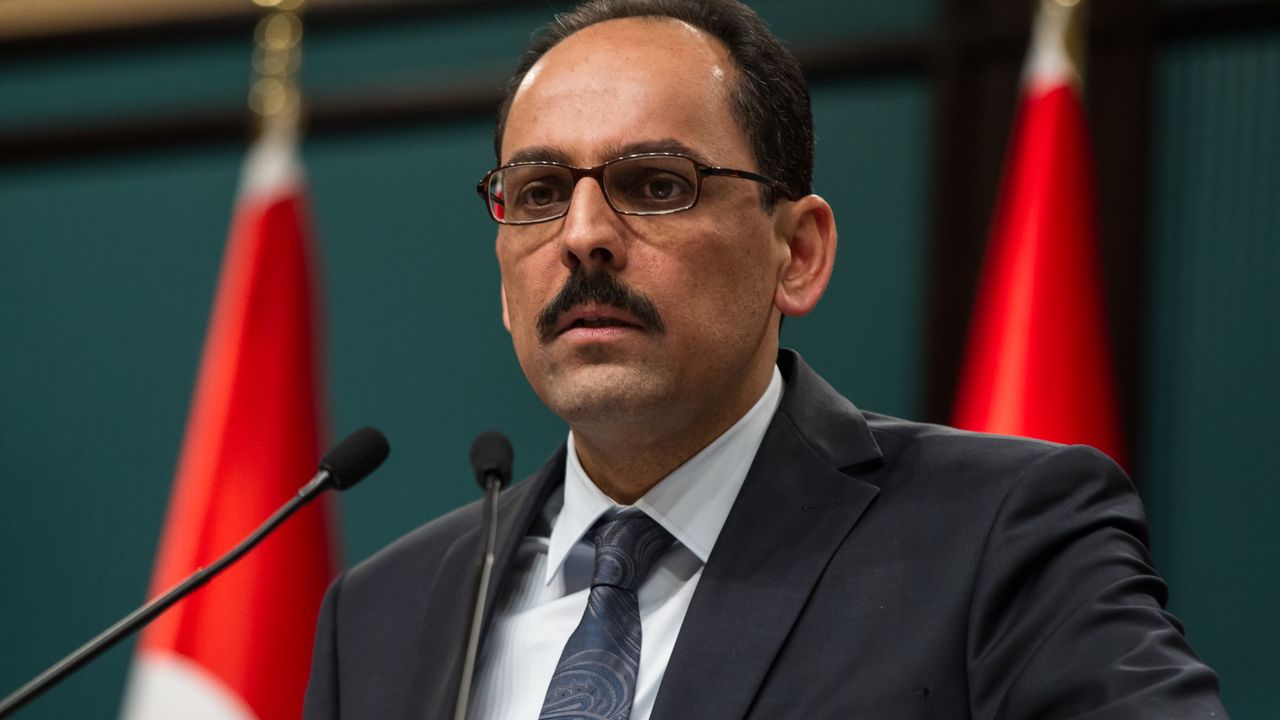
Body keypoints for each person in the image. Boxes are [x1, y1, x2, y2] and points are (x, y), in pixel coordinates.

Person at [303, 1, 1226, 718]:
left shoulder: (1001, 535)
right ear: (506, 280)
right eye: (540, 192)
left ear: (798, 253)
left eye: (655, 184)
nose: (583, 235)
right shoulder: (380, 617)